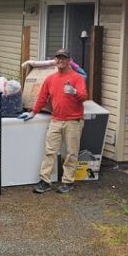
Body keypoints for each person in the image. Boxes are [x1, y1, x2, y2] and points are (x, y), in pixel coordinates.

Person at [21, 48, 88, 194]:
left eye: (63, 58)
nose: (60, 60)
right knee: (50, 151)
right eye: (58, 58)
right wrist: (33, 112)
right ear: (55, 60)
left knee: (71, 153)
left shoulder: (77, 78)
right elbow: (42, 98)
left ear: (69, 60)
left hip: (74, 121)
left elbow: (84, 96)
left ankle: (68, 182)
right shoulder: (50, 79)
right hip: (56, 120)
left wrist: (75, 92)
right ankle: (45, 181)